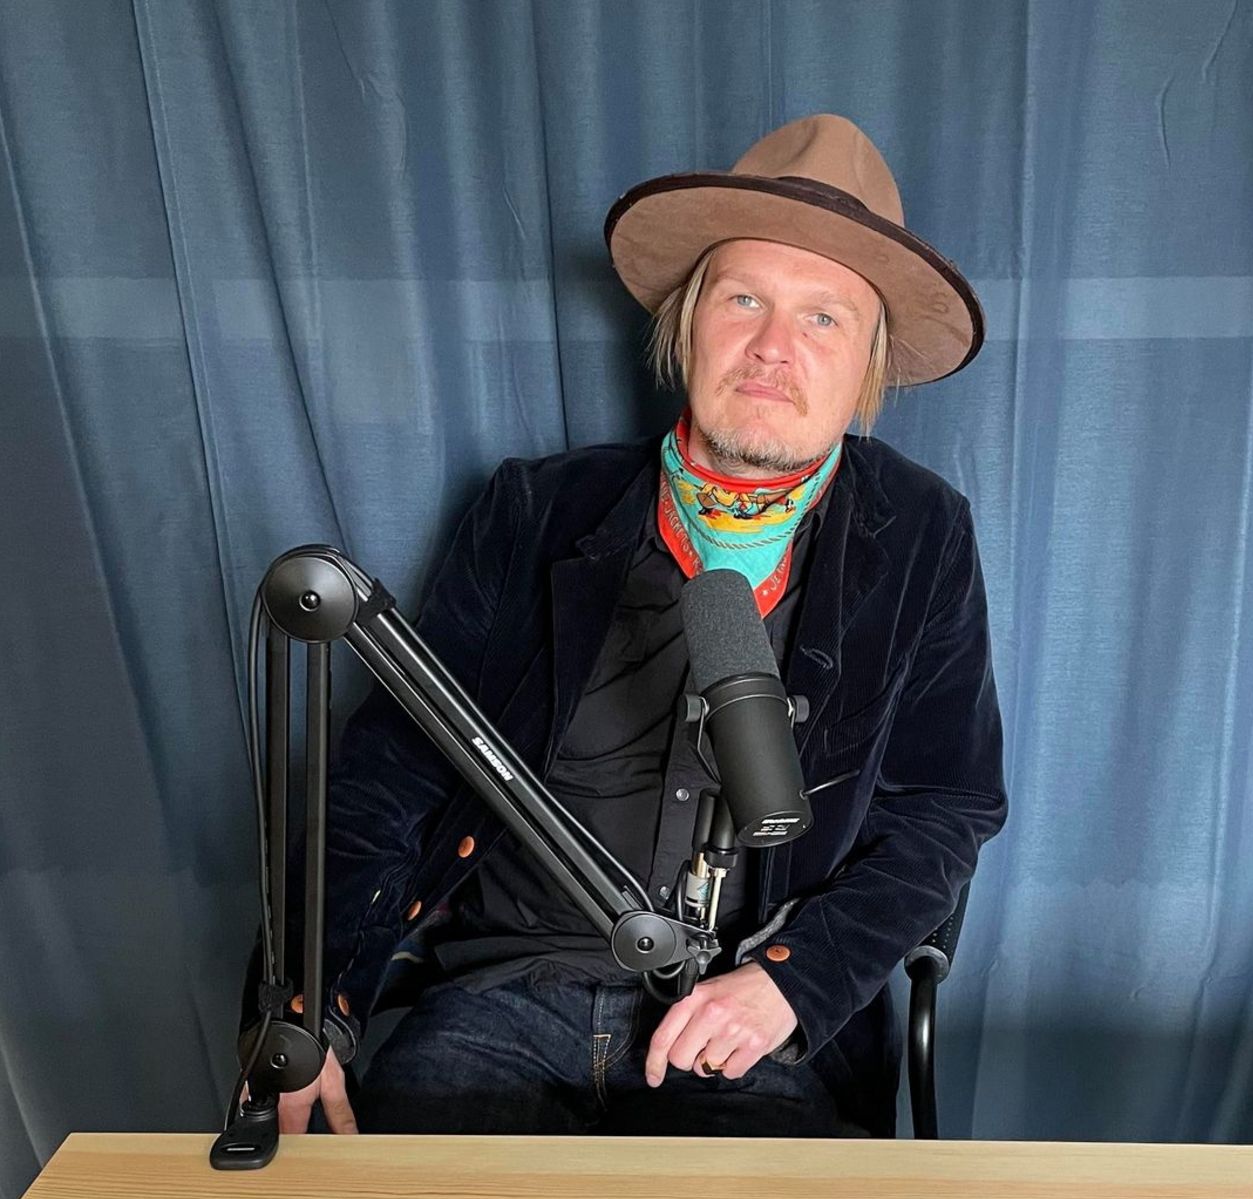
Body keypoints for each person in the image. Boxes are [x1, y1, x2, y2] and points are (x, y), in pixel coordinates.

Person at [241, 113, 1007, 1140]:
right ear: (687, 325)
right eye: (744, 299)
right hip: (504, 997)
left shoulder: (918, 534)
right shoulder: (533, 508)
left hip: (744, 1030)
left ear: (868, 363)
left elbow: (946, 807)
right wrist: (308, 1005)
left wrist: (794, 980)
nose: (773, 348)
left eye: (823, 318)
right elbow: (391, 771)